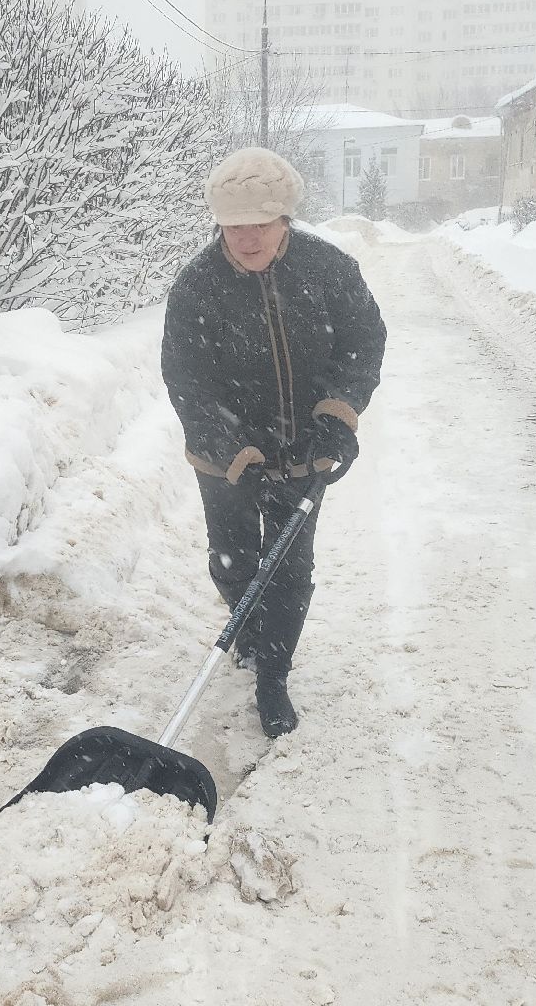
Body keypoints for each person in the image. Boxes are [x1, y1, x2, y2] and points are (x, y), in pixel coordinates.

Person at [160, 147, 386, 737]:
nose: (248, 238)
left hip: (303, 448)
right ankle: (251, 634)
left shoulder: (329, 270)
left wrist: (339, 414)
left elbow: (363, 340)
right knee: (232, 564)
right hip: (226, 461)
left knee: (288, 567)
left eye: (260, 223)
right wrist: (230, 447)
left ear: (284, 218)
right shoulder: (196, 287)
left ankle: (273, 677)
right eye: (235, 226)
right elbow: (185, 377)